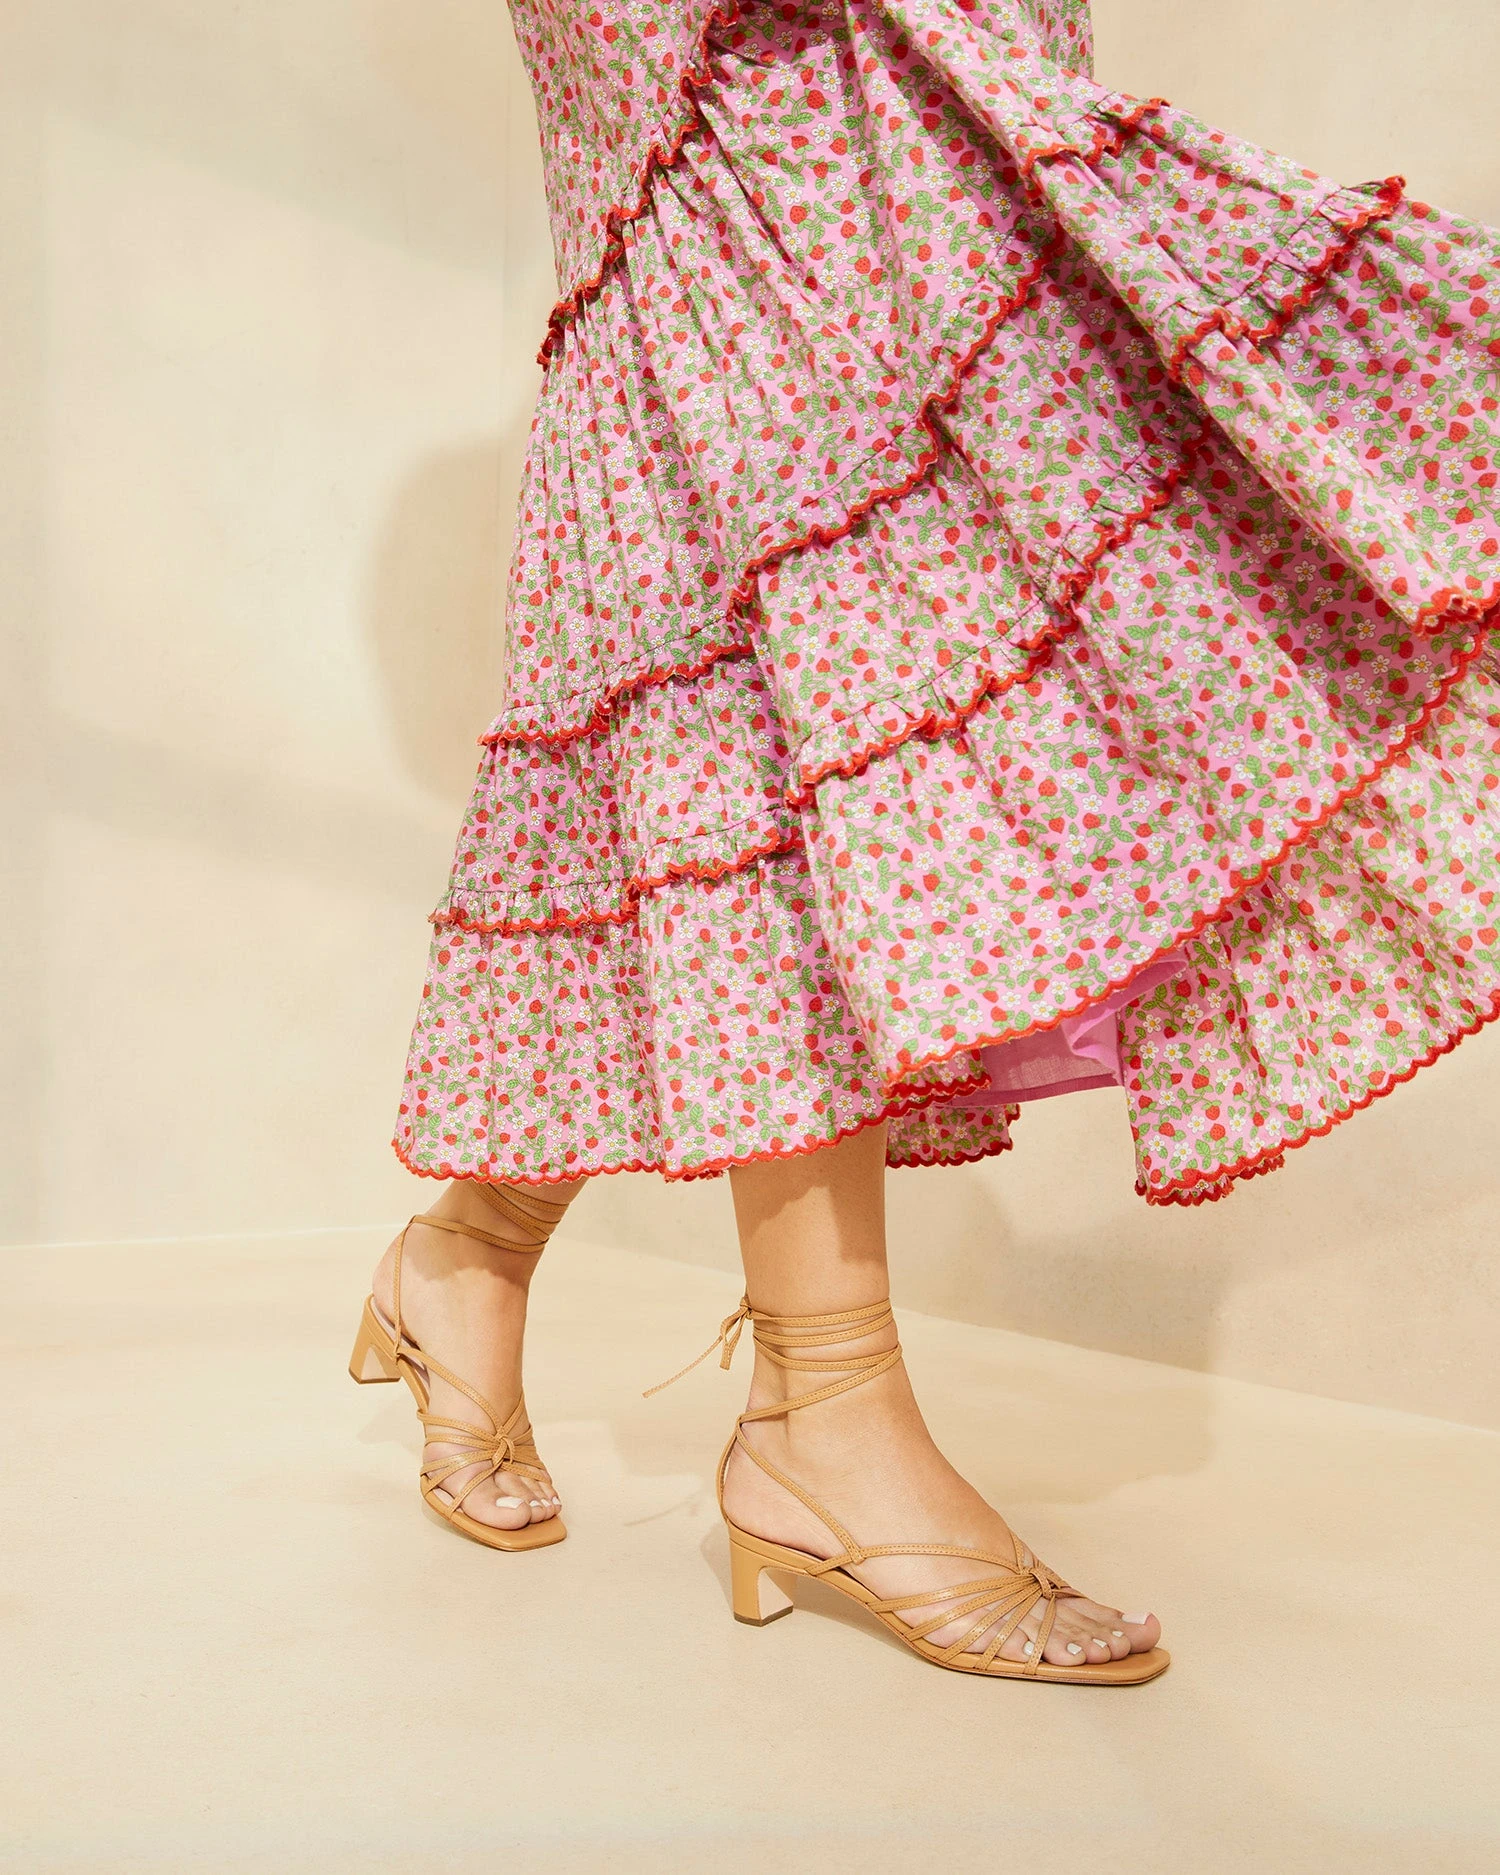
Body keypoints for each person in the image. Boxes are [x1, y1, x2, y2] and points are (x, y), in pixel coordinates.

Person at [350, 0, 1500, 1685]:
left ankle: (474, 1256)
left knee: (850, 703)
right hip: (737, 106)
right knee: (784, 712)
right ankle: (823, 1408)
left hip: (912, 92)